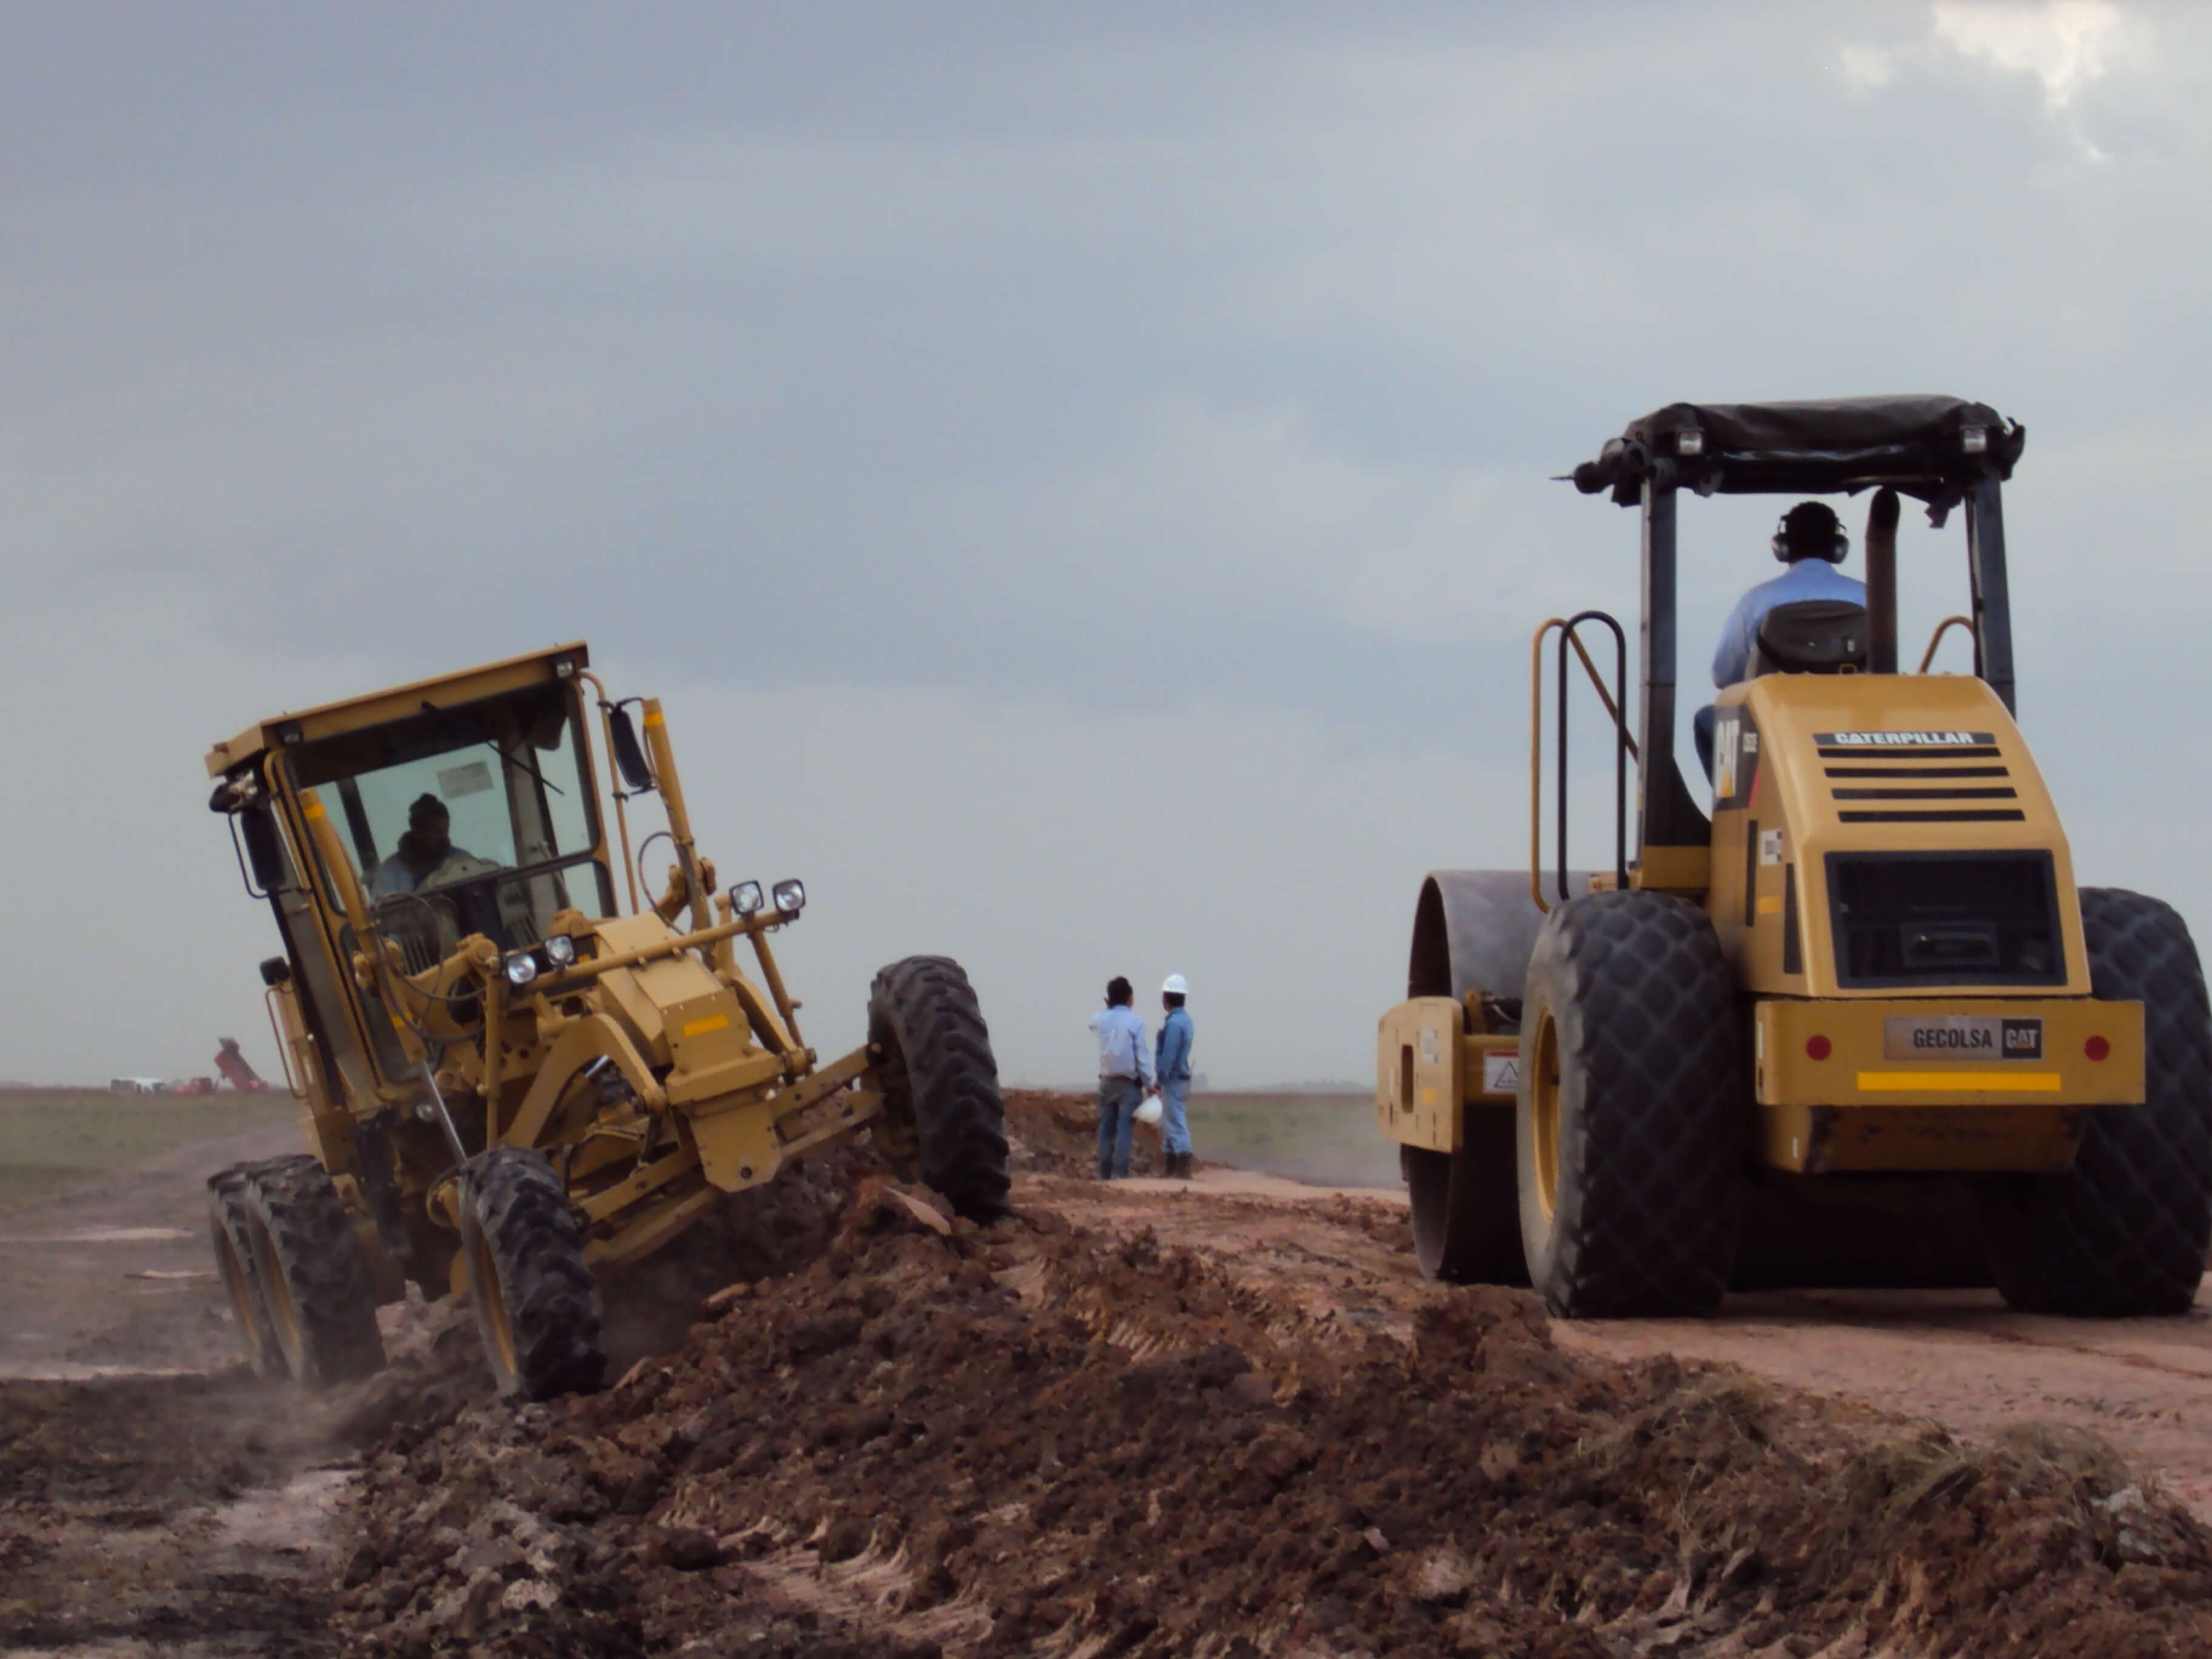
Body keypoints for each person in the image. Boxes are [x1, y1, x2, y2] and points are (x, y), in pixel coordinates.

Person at [1694, 500, 1866, 780]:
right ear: (1838, 548)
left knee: (1706, 720)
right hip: (1850, 723)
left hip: (1774, 725)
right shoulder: (1866, 597)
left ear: (1783, 547)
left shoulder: (1757, 601)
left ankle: (1731, 819)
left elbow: (1723, 675)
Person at [1087, 976, 1152, 1181]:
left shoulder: (1101, 1019)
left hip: (1107, 1081)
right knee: (1124, 1129)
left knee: (1106, 1129)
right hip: (1129, 1084)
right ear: (1130, 998)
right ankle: (1119, 1173)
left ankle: (1103, 1173)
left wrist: (1108, 1009)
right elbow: (1142, 1057)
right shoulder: (1136, 1022)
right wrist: (1149, 1083)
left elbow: (1092, 1023)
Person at [369, 794, 478, 897]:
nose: (443, 837)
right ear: (418, 832)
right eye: (435, 831)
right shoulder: (391, 872)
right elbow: (382, 912)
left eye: (445, 830)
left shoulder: (462, 860)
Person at [1155, 974, 1195, 1180]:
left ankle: (1182, 1167)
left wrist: (1159, 1079)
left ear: (1166, 998)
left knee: (1176, 1123)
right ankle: (1171, 1167)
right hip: (1181, 1079)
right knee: (1170, 1123)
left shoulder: (1174, 1025)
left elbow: (1168, 1055)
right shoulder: (1185, 1021)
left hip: (1173, 1079)